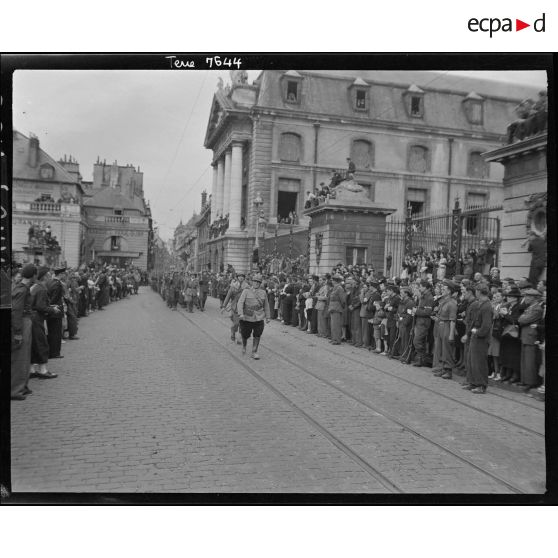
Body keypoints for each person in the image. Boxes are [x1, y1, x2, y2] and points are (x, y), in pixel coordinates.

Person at [11, 264, 37, 400]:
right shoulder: (22, 290)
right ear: (33, 276)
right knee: (20, 358)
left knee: (25, 357)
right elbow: (16, 311)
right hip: (22, 323)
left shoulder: (22, 288)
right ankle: (15, 390)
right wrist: (18, 332)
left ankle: (23, 386)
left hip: (26, 321)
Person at [30, 266, 60, 379]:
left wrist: (50, 306)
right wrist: (53, 309)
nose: (51, 277)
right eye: (49, 275)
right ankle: (43, 371)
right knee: (42, 344)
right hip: (37, 319)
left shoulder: (35, 287)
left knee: (33, 344)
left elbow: (36, 304)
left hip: (32, 317)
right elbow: (40, 306)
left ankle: (31, 370)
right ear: (45, 277)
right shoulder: (42, 288)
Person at [463, 285, 493, 394]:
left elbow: (486, 325)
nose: (476, 293)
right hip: (475, 336)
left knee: (479, 361)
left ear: (479, 292)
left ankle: (481, 385)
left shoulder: (487, 306)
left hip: (481, 338)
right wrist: (470, 333)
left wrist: (478, 332)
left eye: (476, 291)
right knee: (472, 360)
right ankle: (473, 382)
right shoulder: (481, 304)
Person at [237, 274, 271, 359]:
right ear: (252, 282)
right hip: (247, 317)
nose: (256, 283)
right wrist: (240, 313)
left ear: (260, 283)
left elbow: (266, 305)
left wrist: (268, 316)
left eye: (258, 282)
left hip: (259, 317)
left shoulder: (263, 292)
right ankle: (244, 346)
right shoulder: (246, 291)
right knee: (245, 335)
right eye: (255, 281)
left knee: (257, 335)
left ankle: (254, 351)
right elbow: (240, 302)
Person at [518, 288, 544, 390]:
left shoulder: (537, 309)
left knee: (530, 361)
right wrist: (522, 318)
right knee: (525, 359)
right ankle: (525, 380)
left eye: (528, 296)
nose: (526, 298)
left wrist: (522, 318)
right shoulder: (530, 307)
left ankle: (530, 382)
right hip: (526, 335)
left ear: (534, 298)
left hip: (530, 336)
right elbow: (521, 319)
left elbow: (523, 320)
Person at [432, 280, 458, 379]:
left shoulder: (452, 303)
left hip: (447, 326)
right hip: (441, 325)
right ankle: (442, 368)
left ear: (450, 291)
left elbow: (453, 320)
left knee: (447, 349)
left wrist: (451, 334)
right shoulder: (443, 301)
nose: (442, 290)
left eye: (444, 289)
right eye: (442, 288)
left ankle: (448, 370)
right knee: (441, 348)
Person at [411, 280, 434, 367]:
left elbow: (428, 312)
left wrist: (416, 311)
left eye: (420, 286)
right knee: (421, 341)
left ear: (425, 287)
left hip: (424, 322)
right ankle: (421, 359)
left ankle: (422, 358)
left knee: (417, 341)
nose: (419, 288)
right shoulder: (423, 296)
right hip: (419, 321)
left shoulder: (429, 297)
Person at [222, 272, 248, 344]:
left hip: (243, 307)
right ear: (237, 277)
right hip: (235, 307)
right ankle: (233, 331)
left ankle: (239, 338)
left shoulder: (247, 287)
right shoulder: (233, 286)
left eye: (242, 276)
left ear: (244, 278)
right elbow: (228, 296)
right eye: (239, 276)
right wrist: (224, 306)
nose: (241, 278)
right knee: (236, 323)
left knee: (242, 324)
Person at [46, 266, 66, 359]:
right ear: (60, 274)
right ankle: (55, 353)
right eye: (63, 274)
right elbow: (55, 298)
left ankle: (50, 351)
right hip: (56, 310)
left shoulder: (49, 281)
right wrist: (52, 307)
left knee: (50, 332)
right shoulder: (58, 284)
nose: (64, 275)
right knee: (56, 333)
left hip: (49, 310)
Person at [328, 274, 346, 345]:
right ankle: (334, 338)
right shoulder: (334, 288)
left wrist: (341, 307)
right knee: (333, 325)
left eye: (333, 280)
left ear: (336, 281)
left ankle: (337, 340)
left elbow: (343, 300)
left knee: (336, 325)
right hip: (333, 308)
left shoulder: (339, 288)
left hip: (337, 308)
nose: (332, 281)